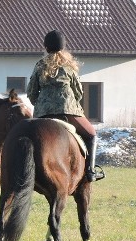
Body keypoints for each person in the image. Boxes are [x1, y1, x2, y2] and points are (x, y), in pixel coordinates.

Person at [28, 29, 104, 182]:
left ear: (46, 47)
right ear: (63, 47)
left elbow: (31, 92)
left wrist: (40, 105)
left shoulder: (40, 65)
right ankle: (90, 171)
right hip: (68, 111)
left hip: (42, 113)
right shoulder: (69, 66)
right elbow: (79, 92)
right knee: (91, 134)